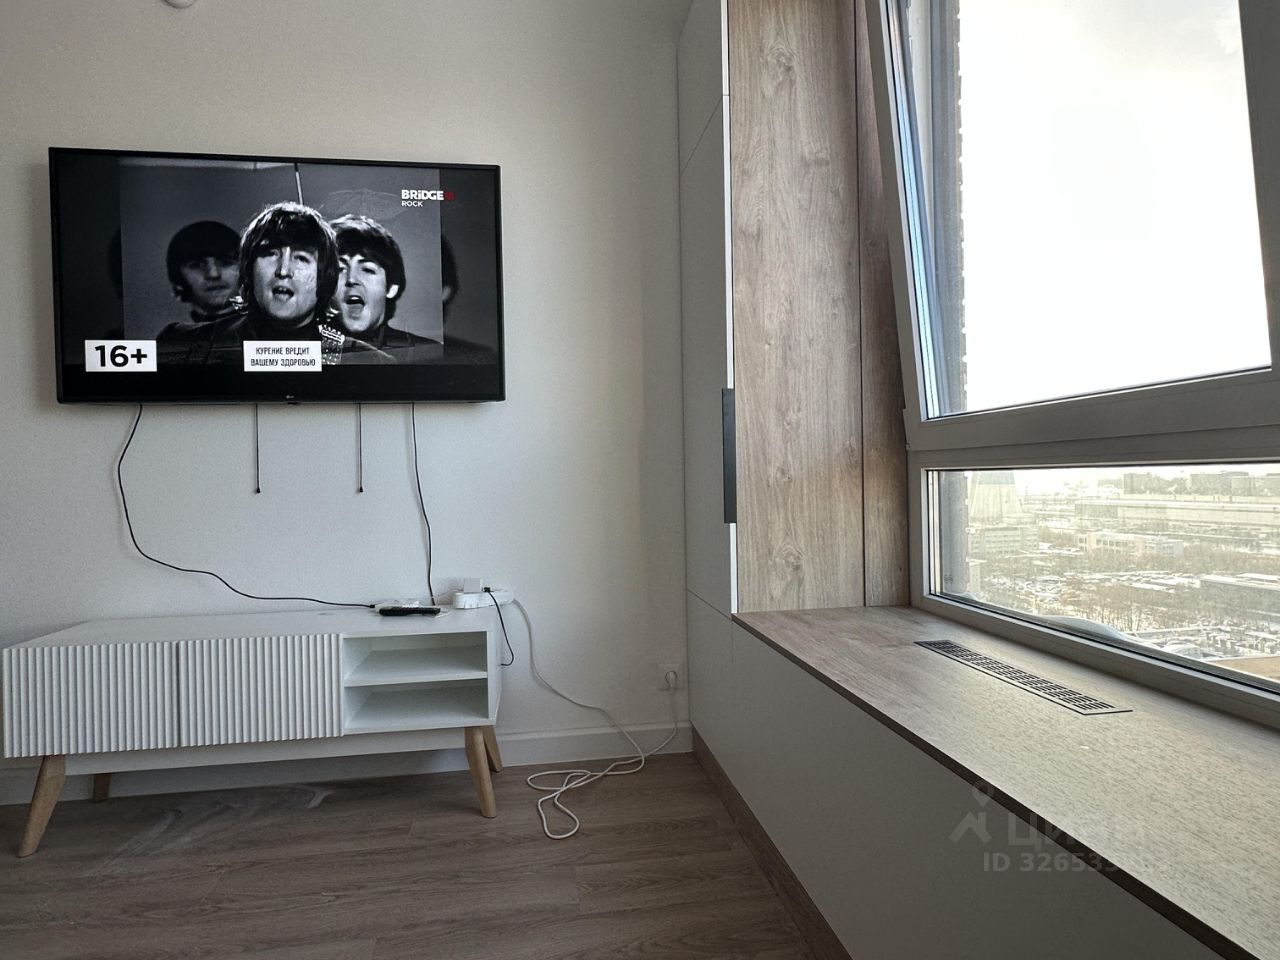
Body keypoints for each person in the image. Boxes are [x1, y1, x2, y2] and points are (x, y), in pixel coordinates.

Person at [157, 203, 391, 365]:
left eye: (301, 258)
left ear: (325, 277)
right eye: (270, 253)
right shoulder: (183, 345)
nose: (284, 270)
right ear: (248, 269)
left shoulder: (367, 361)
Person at [330, 214, 441, 363]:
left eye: (367, 269)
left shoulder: (428, 353)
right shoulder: (306, 351)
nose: (351, 279)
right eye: (339, 269)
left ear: (391, 287)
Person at [165, 220, 240, 323]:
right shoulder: (172, 333)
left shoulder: (262, 330)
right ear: (177, 278)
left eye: (225, 263)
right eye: (196, 265)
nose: (214, 274)